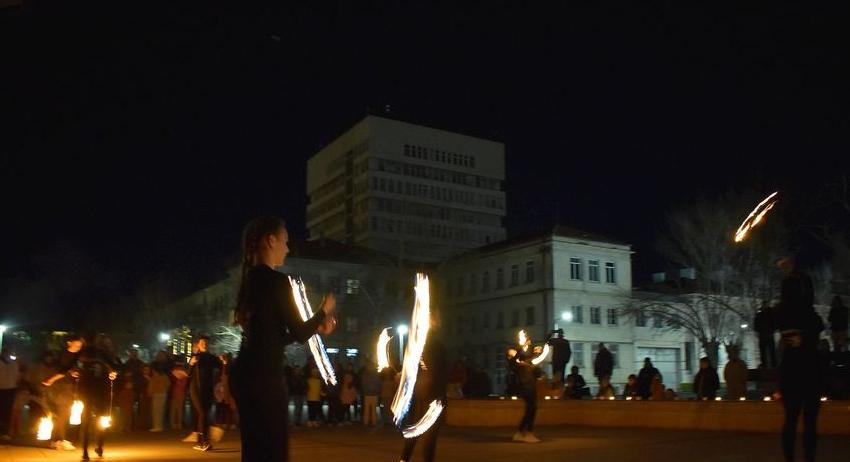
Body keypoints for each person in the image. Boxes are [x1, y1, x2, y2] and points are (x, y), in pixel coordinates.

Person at [229, 216, 336, 461]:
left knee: (255, 450)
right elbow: (298, 332)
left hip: (246, 374)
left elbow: (270, 337)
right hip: (265, 379)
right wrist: (323, 311)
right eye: (285, 242)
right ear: (270, 241)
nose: (288, 249)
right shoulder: (278, 282)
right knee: (273, 450)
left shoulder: (250, 281)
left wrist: (316, 327)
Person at [774, 257, 823, 462]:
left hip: (797, 369)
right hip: (805, 369)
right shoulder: (807, 315)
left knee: (795, 419)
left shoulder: (788, 311)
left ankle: (794, 459)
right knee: (804, 420)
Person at [399, 313, 448, 462]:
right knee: (428, 436)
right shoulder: (433, 345)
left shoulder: (419, 344)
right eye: (436, 319)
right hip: (430, 395)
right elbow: (435, 370)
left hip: (421, 394)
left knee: (415, 431)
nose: (439, 321)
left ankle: (404, 459)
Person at [76, 334, 118, 461]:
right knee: (101, 419)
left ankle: (85, 451)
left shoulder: (82, 354)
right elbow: (115, 367)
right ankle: (99, 446)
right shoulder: (102, 354)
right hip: (100, 391)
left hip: (87, 391)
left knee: (87, 421)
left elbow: (73, 367)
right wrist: (112, 373)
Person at [42, 334, 84, 450]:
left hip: (69, 387)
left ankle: (57, 439)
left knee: (65, 414)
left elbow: (69, 370)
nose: (78, 348)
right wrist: (51, 380)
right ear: (69, 343)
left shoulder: (76, 356)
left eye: (79, 346)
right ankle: (59, 440)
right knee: (62, 413)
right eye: (76, 345)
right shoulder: (65, 355)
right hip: (62, 387)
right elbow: (62, 371)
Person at [186, 335, 222, 451]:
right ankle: (204, 442)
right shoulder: (195, 357)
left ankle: (202, 442)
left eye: (206, 343)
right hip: (196, 389)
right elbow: (188, 374)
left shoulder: (212, 358)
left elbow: (221, 368)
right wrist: (191, 364)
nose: (205, 345)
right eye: (202, 343)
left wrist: (224, 362)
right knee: (202, 414)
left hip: (207, 389)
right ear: (198, 345)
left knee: (203, 414)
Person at [507, 337, 542, 443]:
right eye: (511, 351)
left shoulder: (524, 362)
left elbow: (530, 360)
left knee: (531, 408)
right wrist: (523, 346)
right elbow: (518, 355)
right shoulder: (513, 363)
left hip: (530, 386)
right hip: (524, 387)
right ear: (509, 356)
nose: (513, 351)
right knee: (532, 408)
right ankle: (528, 433)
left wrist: (536, 354)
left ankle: (520, 432)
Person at [148, 351, 171, 432]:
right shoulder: (165, 373)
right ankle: (158, 425)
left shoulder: (156, 375)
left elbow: (151, 382)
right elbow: (168, 383)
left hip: (158, 392)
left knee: (157, 409)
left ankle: (157, 426)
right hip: (162, 392)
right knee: (159, 409)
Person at [0, 348, 20, 441]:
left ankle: (5, 432)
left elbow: (16, 376)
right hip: (3, 388)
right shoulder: (5, 363)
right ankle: (3, 432)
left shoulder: (14, 364)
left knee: (7, 411)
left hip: (10, 389)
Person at [755, 302, 778, 368]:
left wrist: (771, 331)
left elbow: (775, 324)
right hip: (765, 335)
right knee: (765, 353)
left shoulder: (770, 314)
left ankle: (772, 367)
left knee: (770, 353)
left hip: (767, 335)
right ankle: (768, 367)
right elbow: (756, 325)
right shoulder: (770, 314)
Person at [360, 361, 381, 428]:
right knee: (373, 409)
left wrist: (365, 391)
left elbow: (363, 384)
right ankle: (373, 422)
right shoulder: (376, 375)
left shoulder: (365, 375)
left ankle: (366, 422)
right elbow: (378, 384)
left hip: (367, 394)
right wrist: (377, 391)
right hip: (374, 394)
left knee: (366, 409)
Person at [170, 362, 189, 431]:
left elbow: (183, 385)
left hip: (179, 394)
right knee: (174, 409)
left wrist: (178, 380)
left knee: (178, 409)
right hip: (176, 393)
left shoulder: (183, 377)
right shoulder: (175, 377)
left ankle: (178, 424)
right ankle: (174, 424)